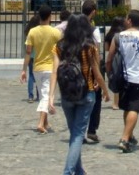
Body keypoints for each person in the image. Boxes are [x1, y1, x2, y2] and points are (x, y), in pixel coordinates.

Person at [49, 14, 109, 175]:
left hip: (66, 95)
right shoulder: (89, 46)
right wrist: (105, 91)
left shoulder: (59, 46)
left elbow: (54, 71)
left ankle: (79, 171)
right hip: (86, 93)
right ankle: (68, 172)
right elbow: (97, 73)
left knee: (75, 133)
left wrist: (51, 97)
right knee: (78, 135)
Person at [106, 9, 139, 153]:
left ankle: (129, 135)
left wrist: (109, 73)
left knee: (127, 108)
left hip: (123, 78)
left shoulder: (118, 37)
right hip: (138, 79)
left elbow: (109, 58)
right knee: (134, 109)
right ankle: (124, 139)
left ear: (130, 20)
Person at [20, 4, 61, 134]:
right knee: (46, 96)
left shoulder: (32, 32)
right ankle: (40, 123)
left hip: (37, 68)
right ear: (50, 16)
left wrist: (24, 69)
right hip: (50, 68)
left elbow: (28, 52)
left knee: (43, 94)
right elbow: (63, 48)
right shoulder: (55, 32)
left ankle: (46, 122)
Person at [81, 0, 103, 143]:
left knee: (79, 100)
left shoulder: (73, 27)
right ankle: (92, 130)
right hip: (89, 71)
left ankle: (79, 130)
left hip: (76, 70)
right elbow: (96, 55)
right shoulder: (93, 30)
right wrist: (98, 76)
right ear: (93, 12)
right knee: (95, 100)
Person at [104, 16, 126, 110]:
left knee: (115, 79)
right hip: (124, 58)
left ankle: (115, 103)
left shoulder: (109, 35)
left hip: (113, 58)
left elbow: (106, 49)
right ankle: (122, 100)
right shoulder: (124, 34)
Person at [24, 13, 41, 103]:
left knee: (31, 75)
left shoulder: (29, 33)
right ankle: (39, 95)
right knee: (38, 76)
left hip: (31, 57)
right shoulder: (39, 32)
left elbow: (27, 47)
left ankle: (30, 96)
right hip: (39, 56)